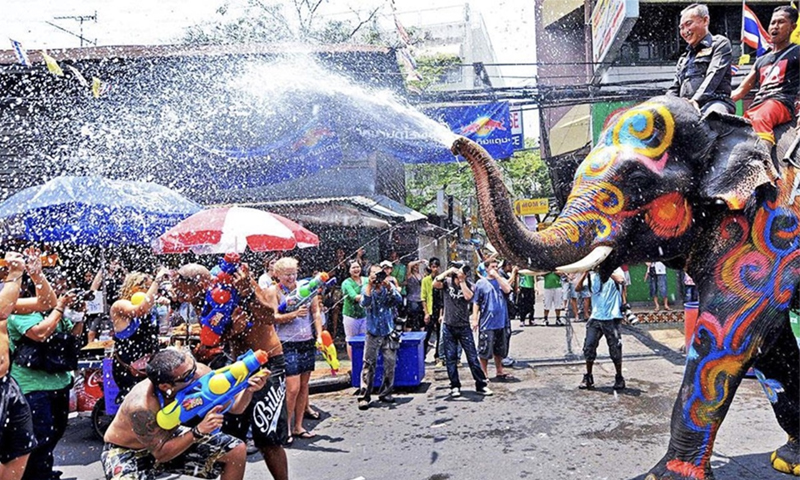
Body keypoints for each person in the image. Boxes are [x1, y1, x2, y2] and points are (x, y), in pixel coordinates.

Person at [172, 262, 290, 480]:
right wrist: (230, 333)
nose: (180, 296)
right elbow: (217, 337)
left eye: (182, 289)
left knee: (267, 437)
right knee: (232, 438)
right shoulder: (202, 301)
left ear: (200, 282)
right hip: (236, 366)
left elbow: (269, 316)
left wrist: (248, 293)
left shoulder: (237, 281)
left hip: (267, 362)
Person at [101, 348, 264, 480]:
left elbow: (236, 408)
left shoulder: (197, 371)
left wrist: (248, 390)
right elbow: (161, 454)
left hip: (169, 437)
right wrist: (198, 432)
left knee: (235, 450)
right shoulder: (142, 407)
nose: (196, 375)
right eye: (188, 376)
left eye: (193, 366)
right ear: (166, 386)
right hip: (128, 449)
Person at [7, 252, 84, 480]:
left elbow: (72, 336)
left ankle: (45, 471)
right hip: (31, 385)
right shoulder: (19, 310)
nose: (59, 290)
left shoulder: (50, 308)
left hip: (58, 381)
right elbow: (40, 333)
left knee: (55, 433)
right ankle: (35, 475)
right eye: (56, 286)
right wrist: (59, 308)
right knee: (39, 436)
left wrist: (79, 315)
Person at [732, 6, 800, 168]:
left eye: (781, 22)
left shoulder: (797, 52)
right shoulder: (761, 60)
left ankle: (761, 165)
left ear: (793, 27)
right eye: (772, 23)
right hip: (758, 105)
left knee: (762, 116)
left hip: (781, 103)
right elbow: (741, 91)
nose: (775, 26)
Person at [268, 258, 323, 443]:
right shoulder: (274, 291)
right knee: (292, 388)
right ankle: (285, 428)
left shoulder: (306, 287)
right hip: (286, 343)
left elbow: (316, 312)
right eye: (287, 274)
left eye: (294, 273)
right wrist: (293, 314)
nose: (291, 277)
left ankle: (299, 426)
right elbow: (273, 317)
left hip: (306, 341)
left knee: (304, 387)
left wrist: (320, 335)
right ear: (278, 275)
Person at [0, 252, 38, 480]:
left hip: (7, 385)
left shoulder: (6, 295)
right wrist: (15, 274)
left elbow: (46, 303)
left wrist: (38, 277)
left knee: (22, 447)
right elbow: (2, 310)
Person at [110, 269, 170, 403]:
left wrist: (165, 307)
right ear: (136, 287)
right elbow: (140, 310)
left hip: (148, 365)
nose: (152, 291)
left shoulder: (150, 305)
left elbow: (162, 327)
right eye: (148, 288)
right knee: (135, 403)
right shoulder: (120, 305)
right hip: (129, 367)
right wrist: (157, 281)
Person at [433, 263, 493, 397]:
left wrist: (462, 281)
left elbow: (468, 297)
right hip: (449, 326)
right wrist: (448, 271)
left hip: (464, 326)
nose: (463, 272)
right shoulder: (447, 283)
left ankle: (481, 385)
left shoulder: (470, 284)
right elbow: (434, 284)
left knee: (472, 357)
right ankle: (454, 385)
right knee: (450, 357)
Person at [667, 3, 735, 115]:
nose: (685, 31)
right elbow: (674, 89)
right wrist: (665, 105)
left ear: (705, 20)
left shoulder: (719, 44)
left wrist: (696, 99)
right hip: (685, 107)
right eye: (681, 28)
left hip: (715, 102)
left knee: (713, 117)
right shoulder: (684, 58)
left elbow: (714, 74)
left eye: (689, 24)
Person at [357, 265, 403, 410]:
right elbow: (365, 303)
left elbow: (398, 300)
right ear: (369, 275)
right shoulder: (365, 288)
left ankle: (386, 392)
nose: (377, 277)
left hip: (388, 331)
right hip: (372, 332)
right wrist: (370, 286)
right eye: (374, 274)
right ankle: (364, 395)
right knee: (368, 364)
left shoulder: (387, 286)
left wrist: (389, 286)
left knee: (390, 364)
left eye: (379, 274)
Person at [576, 267, 627, 391]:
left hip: (612, 317)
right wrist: (585, 273)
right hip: (596, 317)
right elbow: (578, 288)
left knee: (615, 348)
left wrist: (606, 270)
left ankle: (619, 377)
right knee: (589, 347)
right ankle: (588, 376)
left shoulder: (616, 271)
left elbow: (621, 280)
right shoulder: (592, 276)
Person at [472, 259, 513, 380]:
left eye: (496, 267)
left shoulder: (501, 281)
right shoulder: (481, 283)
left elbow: (507, 290)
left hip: (501, 321)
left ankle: (499, 370)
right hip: (487, 322)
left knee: (500, 348)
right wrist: (475, 319)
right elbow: (476, 302)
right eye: (492, 267)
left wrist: (498, 277)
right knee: (485, 349)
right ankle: (484, 373)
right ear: (486, 269)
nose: (495, 269)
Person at [340, 260, 367, 360]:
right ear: (349, 270)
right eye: (353, 268)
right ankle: (353, 363)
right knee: (351, 340)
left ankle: (364, 362)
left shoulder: (366, 280)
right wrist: (368, 296)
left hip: (364, 315)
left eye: (358, 267)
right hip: (350, 315)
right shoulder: (346, 283)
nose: (356, 269)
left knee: (365, 339)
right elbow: (354, 296)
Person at [421, 257, 444, 365]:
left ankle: (438, 356)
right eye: (433, 267)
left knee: (440, 335)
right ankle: (422, 355)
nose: (435, 269)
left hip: (439, 310)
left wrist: (441, 314)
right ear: (430, 267)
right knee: (427, 333)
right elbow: (423, 298)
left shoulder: (442, 280)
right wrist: (426, 313)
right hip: (430, 310)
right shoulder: (426, 280)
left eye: (436, 267)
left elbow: (443, 299)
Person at [404, 260, 425, 331]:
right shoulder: (410, 275)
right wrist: (419, 261)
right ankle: (408, 335)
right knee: (411, 319)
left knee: (421, 318)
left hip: (420, 299)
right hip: (412, 299)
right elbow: (409, 264)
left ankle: (423, 337)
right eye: (415, 266)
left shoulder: (420, 275)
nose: (416, 267)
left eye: (417, 266)